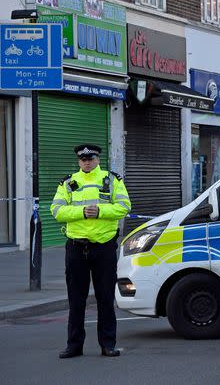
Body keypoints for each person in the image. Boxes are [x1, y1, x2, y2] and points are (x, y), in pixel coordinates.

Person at [50, 144, 131, 359]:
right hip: (76, 248)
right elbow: (56, 211)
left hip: (104, 247)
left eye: (91, 158)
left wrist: (101, 210)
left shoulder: (111, 180)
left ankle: (107, 344)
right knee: (76, 300)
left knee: (105, 299)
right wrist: (83, 212)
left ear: (98, 159)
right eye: (83, 159)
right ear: (78, 161)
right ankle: (74, 346)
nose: (87, 161)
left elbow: (124, 206)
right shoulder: (68, 183)